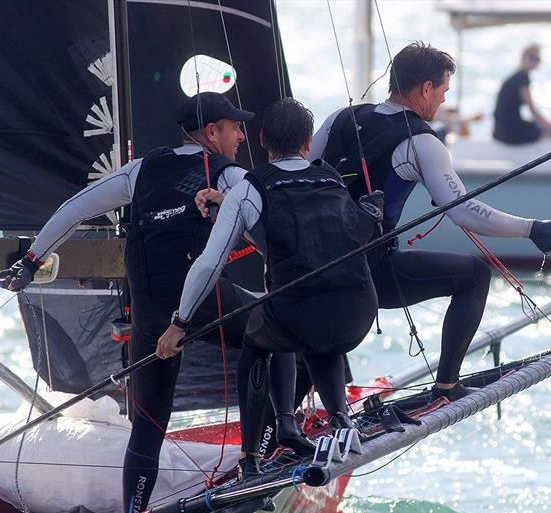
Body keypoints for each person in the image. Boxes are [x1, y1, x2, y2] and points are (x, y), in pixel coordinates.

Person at [0, 92, 255, 513]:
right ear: (212, 132)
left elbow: (74, 210)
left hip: (151, 314)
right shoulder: (227, 175)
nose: (241, 135)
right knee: (275, 335)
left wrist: (31, 262)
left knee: (147, 430)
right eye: (235, 127)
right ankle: (262, 452)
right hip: (202, 299)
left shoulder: (141, 170)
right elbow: (268, 220)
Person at [310, 42, 551, 403]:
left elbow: (305, 181)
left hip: (311, 266)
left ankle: (278, 427)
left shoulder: (339, 117)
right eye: (443, 91)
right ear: (425, 89)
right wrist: (533, 229)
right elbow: (463, 211)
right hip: (365, 275)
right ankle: (446, 386)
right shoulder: (422, 141)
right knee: (475, 276)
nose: (444, 102)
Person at [156, 98, 383, 475]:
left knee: (260, 339)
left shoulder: (250, 188)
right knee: (314, 325)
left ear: (262, 140)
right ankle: (338, 418)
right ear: (308, 143)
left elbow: (210, 263)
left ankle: (250, 456)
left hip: (298, 317)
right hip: (358, 314)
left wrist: (179, 322)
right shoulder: (332, 180)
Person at [493, 44, 551, 145]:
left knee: (541, 127)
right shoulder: (522, 78)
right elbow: (533, 110)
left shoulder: (516, 76)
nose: (534, 61)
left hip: (500, 131)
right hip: (508, 133)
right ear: (523, 57)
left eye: (537, 59)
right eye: (531, 57)